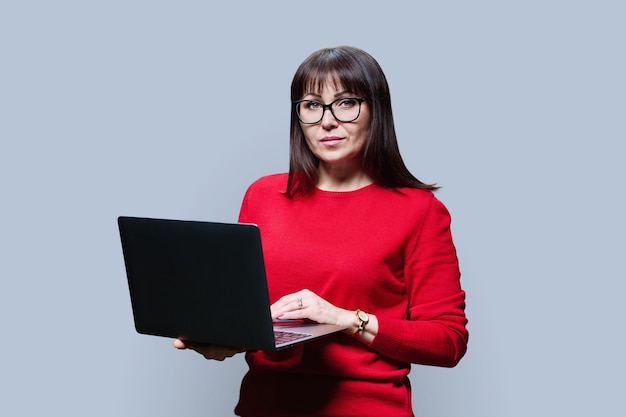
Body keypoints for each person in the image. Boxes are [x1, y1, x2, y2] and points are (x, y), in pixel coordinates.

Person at [174, 45, 468, 417]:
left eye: (346, 103)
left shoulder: (419, 210)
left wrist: (346, 319)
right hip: (263, 406)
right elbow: (249, 316)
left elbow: (448, 342)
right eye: (312, 105)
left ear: (376, 111)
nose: (327, 120)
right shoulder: (263, 195)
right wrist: (221, 339)